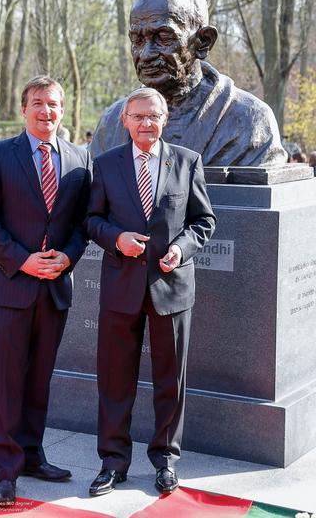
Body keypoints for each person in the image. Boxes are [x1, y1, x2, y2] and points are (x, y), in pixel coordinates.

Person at [85, 87, 216, 496]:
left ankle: (165, 460)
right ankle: (112, 462)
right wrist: (116, 238)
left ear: (165, 120)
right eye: (138, 116)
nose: (146, 123)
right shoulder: (105, 165)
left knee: (169, 380)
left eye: (153, 116)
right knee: (114, 378)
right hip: (120, 289)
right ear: (125, 120)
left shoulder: (188, 162)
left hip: (171, 288)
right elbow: (91, 220)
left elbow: (203, 221)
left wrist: (181, 248)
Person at [0, 76, 91, 506]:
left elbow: (84, 222)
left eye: (54, 104)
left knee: (40, 378)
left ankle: (33, 454)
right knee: (7, 379)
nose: (46, 112)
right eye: (38, 103)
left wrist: (68, 257)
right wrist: (23, 260)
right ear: (24, 109)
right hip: (11, 286)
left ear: (63, 109)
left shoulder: (79, 158)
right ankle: (6, 470)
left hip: (55, 289)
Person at [90, 0, 286, 167]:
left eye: (164, 38)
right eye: (137, 40)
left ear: (204, 42)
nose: (146, 54)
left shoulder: (249, 122)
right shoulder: (112, 123)